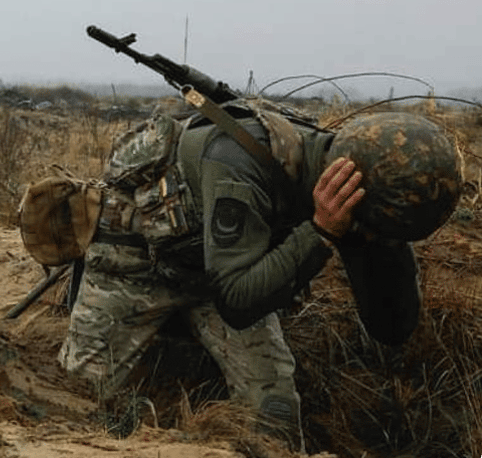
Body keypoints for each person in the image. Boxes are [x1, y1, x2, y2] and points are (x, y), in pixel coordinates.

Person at [56, 104, 462, 449]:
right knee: (72, 399)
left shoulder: (359, 180)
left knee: (275, 411)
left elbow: (392, 326)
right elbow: (236, 300)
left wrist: (379, 247)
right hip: (136, 261)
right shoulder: (240, 162)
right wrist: (320, 232)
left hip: (225, 268)